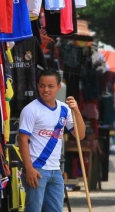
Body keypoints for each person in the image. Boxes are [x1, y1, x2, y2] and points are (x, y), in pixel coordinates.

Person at [17, 69, 86, 212]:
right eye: (42, 86)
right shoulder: (30, 110)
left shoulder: (64, 109)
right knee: (33, 209)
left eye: (50, 86)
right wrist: (29, 169)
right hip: (37, 169)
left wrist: (77, 111)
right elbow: (22, 139)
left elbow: (80, 135)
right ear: (37, 86)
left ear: (58, 87)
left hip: (56, 170)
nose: (46, 90)